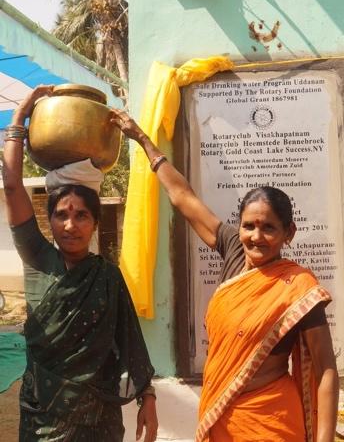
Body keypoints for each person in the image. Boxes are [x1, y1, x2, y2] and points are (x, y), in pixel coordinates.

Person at [112, 109, 339, 442]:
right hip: (222, 418)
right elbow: (182, 197)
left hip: (272, 421)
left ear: (289, 233)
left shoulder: (300, 289)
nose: (256, 237)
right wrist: (144, 140)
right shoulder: (233, 248)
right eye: (249, 226)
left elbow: (325, 370)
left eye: (269, 228)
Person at [2, 86, 158, 442]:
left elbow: (129, 339)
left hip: (98, 419)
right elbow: (12, 185)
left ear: (95, 222)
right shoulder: (39, 258)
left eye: (81, 216)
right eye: (61, 215)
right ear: (50, 221)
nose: (70, 225)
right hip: (43, 416)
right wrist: (20, 115)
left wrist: (147, 396)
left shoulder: (107, 276)